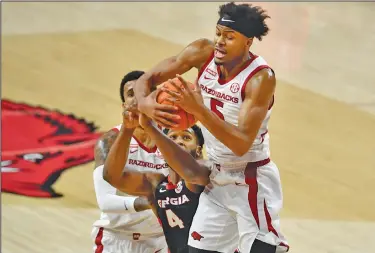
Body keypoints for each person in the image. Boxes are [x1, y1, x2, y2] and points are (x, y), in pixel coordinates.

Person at [133, 2, 289, 253]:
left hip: (251, 178)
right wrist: (145, 104)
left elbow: (240, 144)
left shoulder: (260, 78)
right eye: (218, 33)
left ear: (248, 42)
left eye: (230, 37)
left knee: (264, 249)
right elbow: (147, 78)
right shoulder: (201, 52)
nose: (220, 41)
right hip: (217, 178)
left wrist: (198, 111)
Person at [102, 89, 211, 253]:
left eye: (186, 137)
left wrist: (150, 127)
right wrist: (127, 128)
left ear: (198, 149)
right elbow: (111, 176)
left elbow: (190, 173)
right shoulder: (157, 184)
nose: (178, 142)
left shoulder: (206, 172)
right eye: (172, 138)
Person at [91, 70, 169, 253]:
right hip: (117, 238)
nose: (137, 99)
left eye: (144, 92)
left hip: (160, 239)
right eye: (131, 94)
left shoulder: (173, 139)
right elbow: (105, 202)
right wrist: (149, 201)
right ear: (124, 105)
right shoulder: (109, 141)